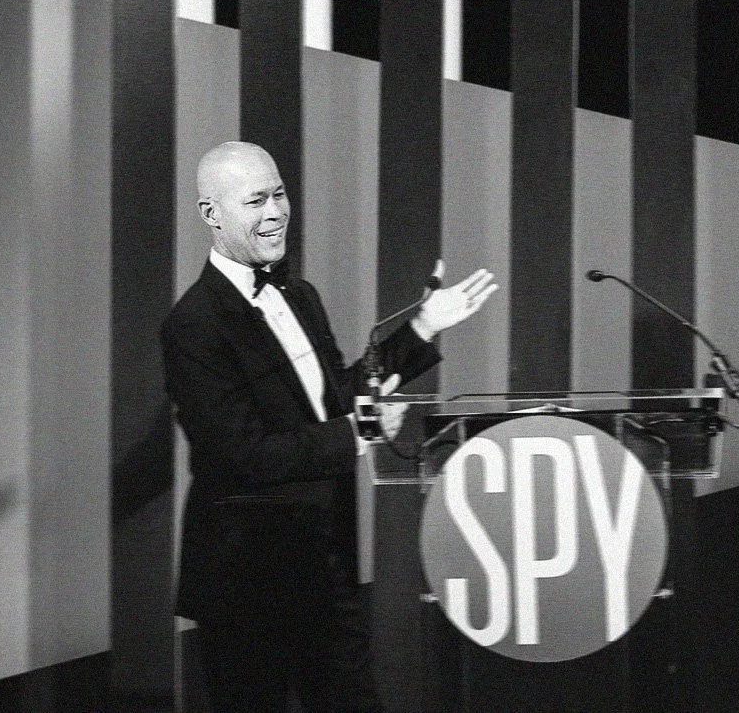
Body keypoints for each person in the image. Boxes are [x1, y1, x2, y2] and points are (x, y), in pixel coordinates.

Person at [161, 141, 496, 712]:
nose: (274, 213)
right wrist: (360, 432)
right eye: (255, 201)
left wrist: (420, 329)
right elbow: (244, 455)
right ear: (210, 214)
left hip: (323, 563)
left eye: (280, 195)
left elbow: (333, 395)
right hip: (245, 582)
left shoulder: (301, 293)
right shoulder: (191, 326)